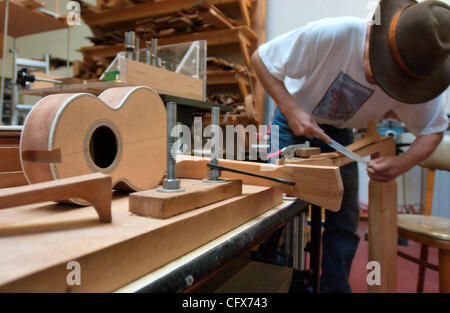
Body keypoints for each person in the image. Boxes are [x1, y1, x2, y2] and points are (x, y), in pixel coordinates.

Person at [251, 0, 449, 292]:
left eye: (394, 79)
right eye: (382, 67)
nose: (379, 80)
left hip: (340, 136)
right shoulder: (332, 34)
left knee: (344, 220)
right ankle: (273, 282)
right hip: (292, 121)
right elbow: (260, 60)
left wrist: (401, 163)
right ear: (374, 33)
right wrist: (292, 111)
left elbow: (433, 130)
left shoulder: (418, 74)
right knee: (278, 211)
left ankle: (335, 287)